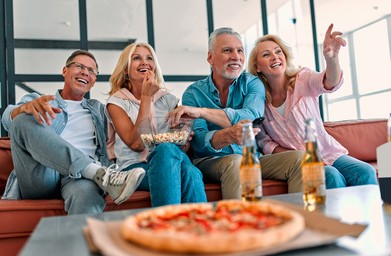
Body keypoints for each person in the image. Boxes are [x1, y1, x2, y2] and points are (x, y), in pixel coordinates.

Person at [1, 50, 146, 214]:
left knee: (86, 194)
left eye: (91, 70)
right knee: (21, 119)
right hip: (42, 174)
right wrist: (22, 109)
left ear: (93, 82)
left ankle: (94, 174)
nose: (85, 72)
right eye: (79, 66)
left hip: (81, 179)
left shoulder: (99, 110)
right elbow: (7, 119)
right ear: (65, 71)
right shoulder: (41, 101)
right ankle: (95, 172)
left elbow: (129, 133)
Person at [168, 27, 305, 198]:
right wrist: (229, 135)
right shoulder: (193, 93)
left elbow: (251, 117)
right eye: (227, 50)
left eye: (240, 50)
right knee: (235, 162)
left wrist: (202, 112)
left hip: (252, 157)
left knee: (301, 160)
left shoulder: (252, 83)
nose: (236, 57)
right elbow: (200, 143)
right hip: (211, 161)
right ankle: (242, 223)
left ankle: (300, 222)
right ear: (210, 57)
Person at [247, 24, 377, 188]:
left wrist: (332, 59)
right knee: (331, 176)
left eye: (278, 51)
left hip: (328, 152)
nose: (274, 56)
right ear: (257, 67)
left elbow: (330, 82)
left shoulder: (302, 78)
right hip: (299, 161)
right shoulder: (259, 101)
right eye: (266, 54)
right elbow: (265, 143)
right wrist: (302, 156)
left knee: (366, 172)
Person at [105, 42, 207, 207]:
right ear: (125, 69)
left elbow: (181, 145)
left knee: (176, 159)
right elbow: (137, 144)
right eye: (136, 58)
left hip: (172, 160)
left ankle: (182, 229)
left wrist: (181, 140)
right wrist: (146, 97)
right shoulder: (116, 103)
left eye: (149, 58)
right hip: (134, 169)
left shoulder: (168, 100)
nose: (144, 62)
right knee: (187, 170)